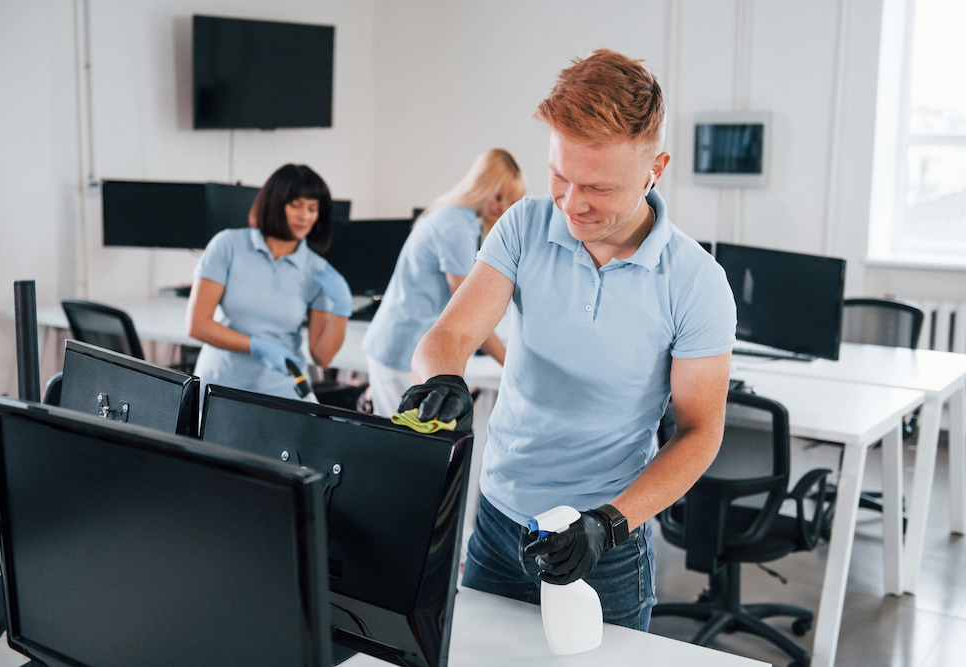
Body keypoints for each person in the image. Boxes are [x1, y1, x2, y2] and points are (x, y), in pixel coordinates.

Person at [397, 50, 737, 631]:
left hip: (603, 539)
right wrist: (443, 379)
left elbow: (701, 432)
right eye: (560, 176)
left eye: (599, 188)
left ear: (656, 167)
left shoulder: (696, 282)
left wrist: (608, 523)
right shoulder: (525, 226)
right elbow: (449, 333)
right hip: (499, 521)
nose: (573, 203)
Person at [362, 148, 526, 418]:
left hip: (401, 345)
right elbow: (469, 308)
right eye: (498, 196)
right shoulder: (456, 225)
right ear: (480, 185)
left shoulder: (456, 217)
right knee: (406, 449)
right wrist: (512, 365)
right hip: (401, 349)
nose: (502, 208)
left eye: (509, 200)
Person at [187, 163, 352, 402]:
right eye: (295, 205)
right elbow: (197, 324)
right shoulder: (227, 246)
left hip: (281, 394)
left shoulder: (318, 271)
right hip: (219, 386)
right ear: (274, 204)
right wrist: (257, 346)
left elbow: (322, 357)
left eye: (312, 208)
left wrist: (341, 308)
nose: (304, 216)